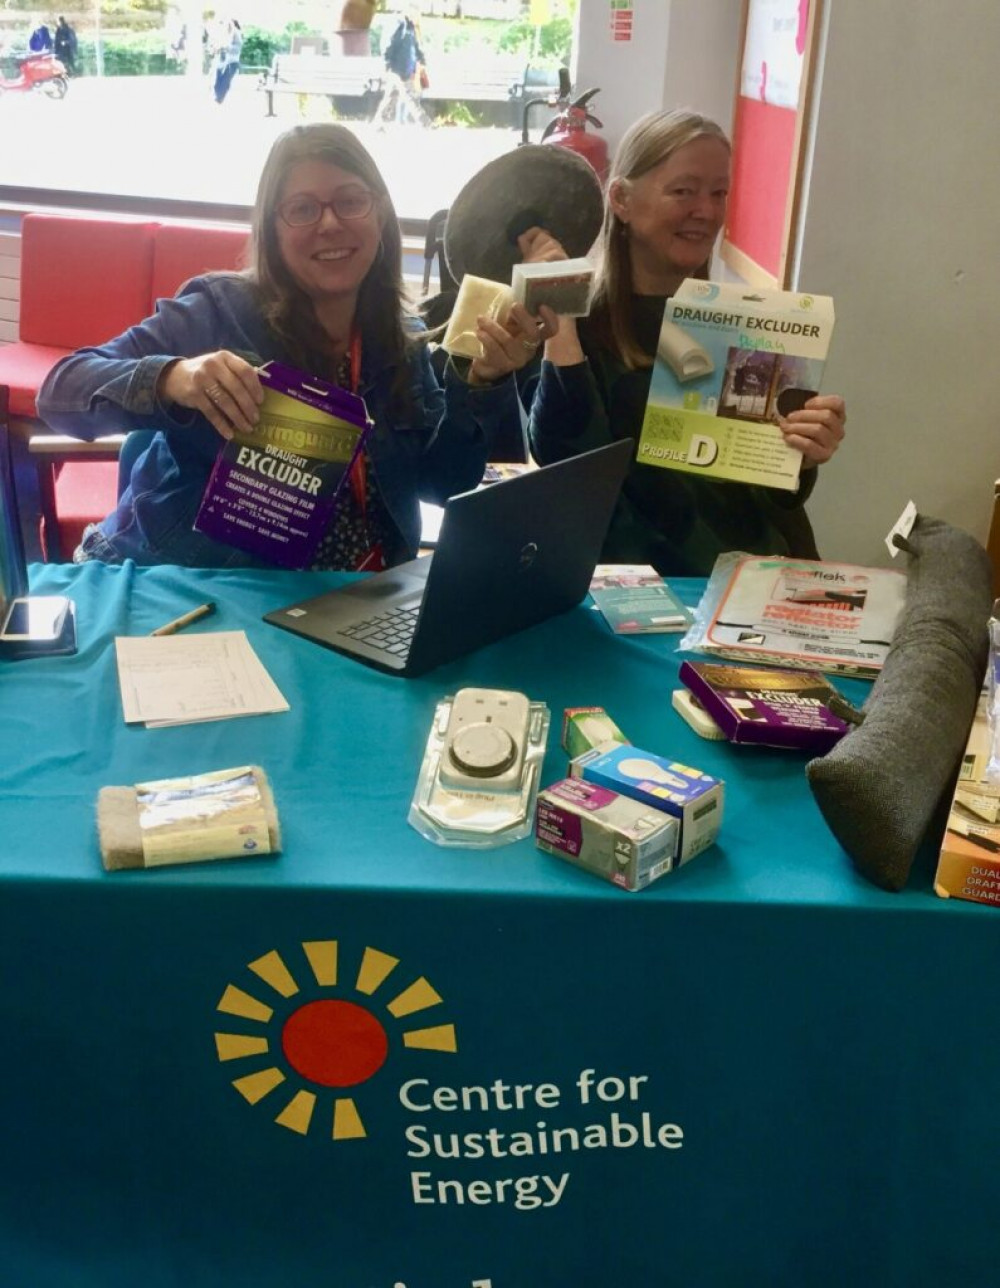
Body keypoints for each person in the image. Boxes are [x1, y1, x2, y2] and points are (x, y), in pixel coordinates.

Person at [36, 123, 543, 569]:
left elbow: (443, 482)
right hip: (188, 586)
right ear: (273, 229)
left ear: (380, 214)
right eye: (302, 209)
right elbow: (60, 392)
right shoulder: (218, 309)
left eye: (349, 201)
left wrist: (482, 384)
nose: (329, 223)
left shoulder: (400, 341)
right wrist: (176, 379)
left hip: (348, 602)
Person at [518, 109, 847, 577]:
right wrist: (561, 327)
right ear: (621, 199)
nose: (707, 211)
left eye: (719, 193)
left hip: (761, 586)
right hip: (644, 596)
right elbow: (566, 466)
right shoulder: (577, 326)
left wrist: (804, 449)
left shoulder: (747, 325)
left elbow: (775, 495)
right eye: (684, 191)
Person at [379, 8, 427, 126]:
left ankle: (378, 123)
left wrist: (421, 59)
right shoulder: (399, 25)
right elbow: (389, 44)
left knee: (390, 98)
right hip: (396, 68)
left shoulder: (411, 27)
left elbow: (415, 46)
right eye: (416, 13)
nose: (418, 17)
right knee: (409, 96)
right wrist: (387, 63)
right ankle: (425, 123)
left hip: (406, 68)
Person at [212, 18, 243, 105]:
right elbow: (217, 46)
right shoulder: (223, 34)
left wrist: (226, 47)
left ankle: (218, 100)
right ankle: (217, 99)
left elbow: (237, 49)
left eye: (229, 24)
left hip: (232, 62)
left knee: (225, 82)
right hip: (221, 62)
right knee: (217, 83)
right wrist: (216, 49)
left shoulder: (236, 34)